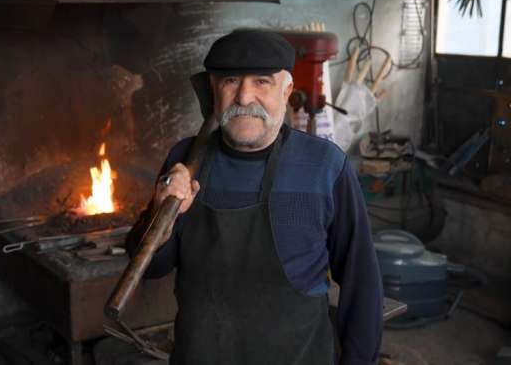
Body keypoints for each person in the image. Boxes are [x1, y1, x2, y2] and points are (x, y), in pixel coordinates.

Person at [125, 30, 383, 365]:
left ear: (286, 90)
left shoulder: (325, 167)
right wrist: (162, 213)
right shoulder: (186, 161)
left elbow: (361, 282)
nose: (244, 97)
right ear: (212, 89)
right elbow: (151, 267)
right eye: (230, 80)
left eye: (262, 82)